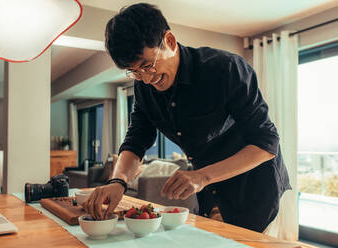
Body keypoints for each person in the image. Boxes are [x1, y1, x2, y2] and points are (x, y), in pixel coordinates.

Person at [83, 3, 291, 233]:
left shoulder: (225, 69)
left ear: (169, 41)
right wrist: (118, 181)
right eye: (135, 71)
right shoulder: (144, 87)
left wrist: (202, 176)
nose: (146, 78)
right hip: (209, 189)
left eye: (147, 65)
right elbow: (137, 139)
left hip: (253, 187)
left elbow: (267, 142)